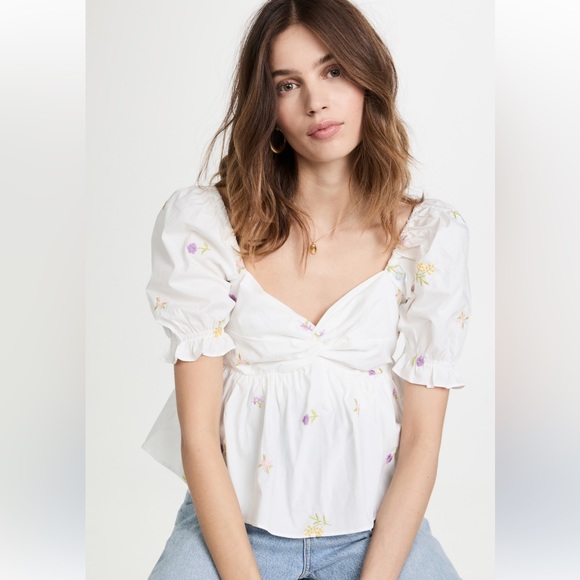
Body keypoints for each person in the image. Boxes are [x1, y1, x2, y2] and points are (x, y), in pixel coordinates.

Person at [144, 0, 471, 578]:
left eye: (333, 71)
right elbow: (197, 438)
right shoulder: (207, 228)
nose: (316, 102)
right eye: (288, 84)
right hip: (233, 529)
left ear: (367, 79)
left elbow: (422, 442)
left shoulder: (427, 239)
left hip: (376, 532)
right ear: (267, 108)